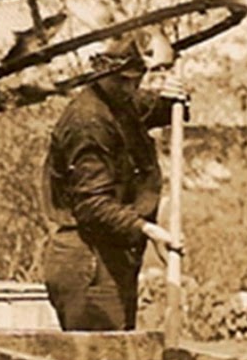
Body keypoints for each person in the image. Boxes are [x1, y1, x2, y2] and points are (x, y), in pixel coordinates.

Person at [41, 32, 186, 330]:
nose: (131, 87)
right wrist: (149, 230)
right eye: (123, 80)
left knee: (116, 356)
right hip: (88, 263)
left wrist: (173, 98)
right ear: (102, 74)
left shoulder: (119, 102)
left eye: (136, 78)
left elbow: (147, 109)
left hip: (111, 259)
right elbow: (92, 204)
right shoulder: (88, 121)